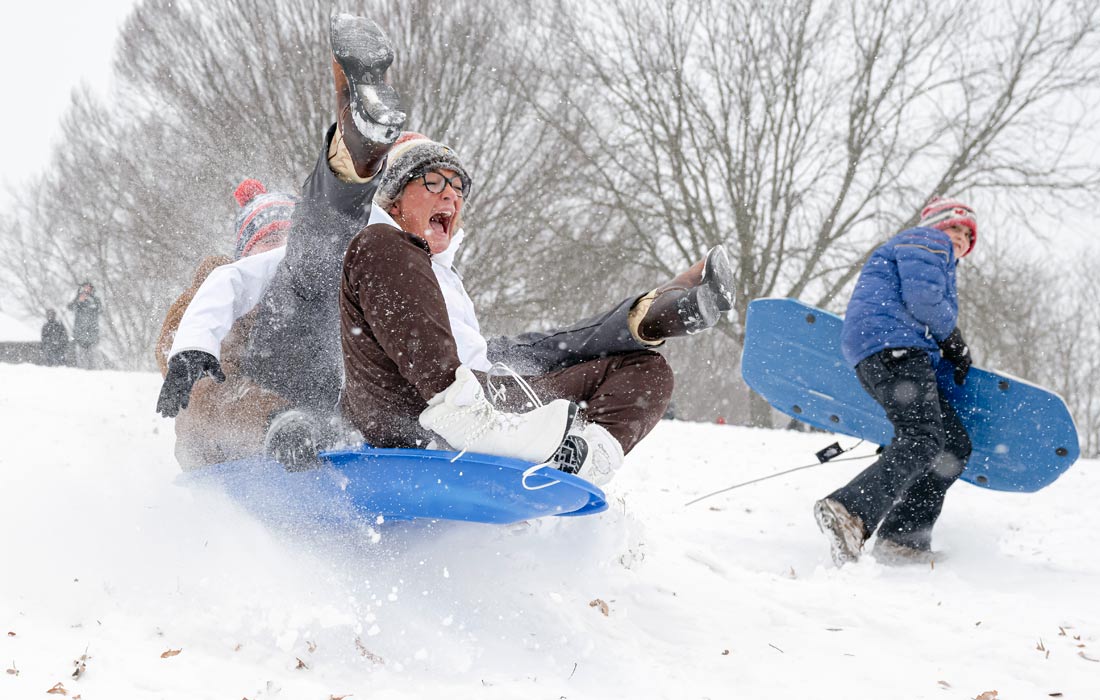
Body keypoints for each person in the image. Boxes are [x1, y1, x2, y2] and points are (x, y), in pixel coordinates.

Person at [155, 14, 735, 476]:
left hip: (436, 403)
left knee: (628, 365)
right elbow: (203, 409)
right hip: (313, 392)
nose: (450, 198)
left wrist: (629, 327)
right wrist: (275, 419)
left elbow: (513, 352)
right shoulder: (268, 284)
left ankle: (588, 444)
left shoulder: (432, 277)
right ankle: (358, 143)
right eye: (432, 183)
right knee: (333, 258)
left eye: (458, 189)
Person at [813, 197, 977, 566]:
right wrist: (953, 338)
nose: (961, 238)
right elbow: (923, 300)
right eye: (955, 228)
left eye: (968, 235)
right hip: (894, 346)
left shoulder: (930, 253)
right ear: (936, 225)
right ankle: (849, 508)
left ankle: (903, 539)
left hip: (892, 350)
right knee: (923, 438)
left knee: (952, 445)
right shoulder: (926, 242)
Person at [153, 179, 297, 468]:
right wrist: (276, 419)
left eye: (291, 240)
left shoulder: (313, 303)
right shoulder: (218, 306)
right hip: (229, 463)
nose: (280, 251)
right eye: (269, 241)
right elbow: (207, 393)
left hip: (306, 444)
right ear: (245, 257)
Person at [68, 282, 101, 368]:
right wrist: (78, 301)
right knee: (81, 357)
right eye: (85, 288)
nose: (86, 290)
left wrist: (90, 301)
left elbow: (99, 309)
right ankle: (82, 372)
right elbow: (70, 307)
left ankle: (93, 371)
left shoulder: (95, 300)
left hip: (92, 333)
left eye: (88, 288)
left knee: (92, 357)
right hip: (80, 333)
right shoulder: (78, 299)